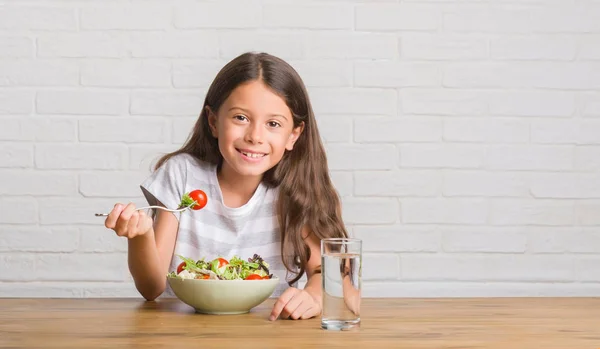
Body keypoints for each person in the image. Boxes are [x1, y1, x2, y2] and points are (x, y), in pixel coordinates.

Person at [103, 52, 348, 321]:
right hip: (184, 332)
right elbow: (151, 288)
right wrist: (140, 237)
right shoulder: (182, 175)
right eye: (241, 118)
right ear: (213, 121)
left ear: (293, 135)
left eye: (273, 124)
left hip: (270, 332)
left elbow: (331, 273)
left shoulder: (295, 190)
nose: (255, 136)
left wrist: (314, 295)